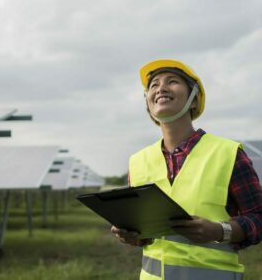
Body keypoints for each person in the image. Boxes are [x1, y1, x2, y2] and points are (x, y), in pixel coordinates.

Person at [111, 59, 262, 280]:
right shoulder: (138, 161)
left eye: (172, 82)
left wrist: (220, 231)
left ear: (194, 100)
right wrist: (132, 235)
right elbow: (148, 234)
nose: (161, 88)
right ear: (148, 104)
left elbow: (258, 217)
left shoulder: (228, 153)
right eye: (153, 85)